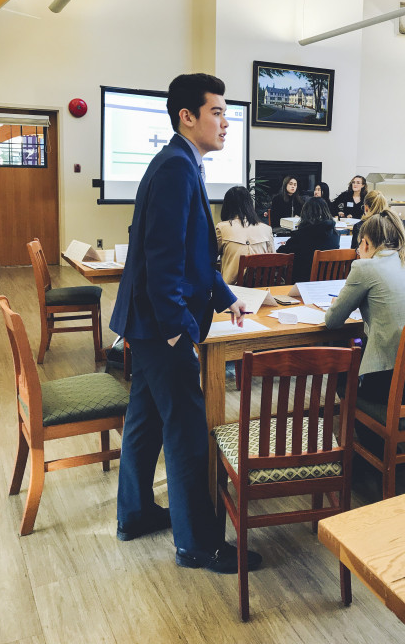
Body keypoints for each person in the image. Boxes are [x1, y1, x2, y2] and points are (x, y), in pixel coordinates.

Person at [109, 73, 262, 574]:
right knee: (188, 430)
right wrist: (179, 329)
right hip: (161, 327)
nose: (225, 122)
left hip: (148, 323)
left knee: (147, 419)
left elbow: (196, 256)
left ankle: (135, 513)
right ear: (187, 117)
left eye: (226, 112)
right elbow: (162, 257)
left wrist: (225, 296)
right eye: (216, 112)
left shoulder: (182, 163)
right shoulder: (177, 167)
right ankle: (197, 544)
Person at [325, 211, 405, 416]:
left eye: (359, 244)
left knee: (341, 375)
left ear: (366, 243)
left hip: (389, 379)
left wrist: (341, 303)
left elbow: (332, 321)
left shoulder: (365, 267)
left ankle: (360, 438)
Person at [216, 186, 275, 284]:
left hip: (232, 293)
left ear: (227, 205)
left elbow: (209, 257)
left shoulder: (222, 228)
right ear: (250, 204)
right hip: (261, 291)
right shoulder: (266, 229)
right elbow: (274, 259)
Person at [277, 196, 339, 281]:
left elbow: (281, 254)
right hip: (327, 282)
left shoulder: (302, 234)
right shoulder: (335, 235)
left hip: (302, 282)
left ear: (305, 213)